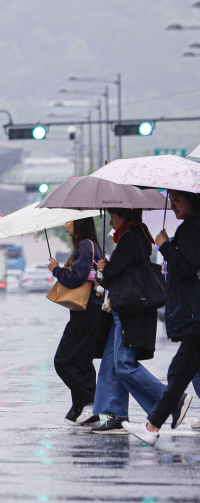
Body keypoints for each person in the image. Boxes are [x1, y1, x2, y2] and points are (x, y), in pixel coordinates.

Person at [124, 190, 200, 445]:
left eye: (178, 200)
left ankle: (151, 427)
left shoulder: (192, 228)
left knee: (178, 372)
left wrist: (165, 246)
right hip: (195, 313)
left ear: (191, 201)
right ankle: (152, 426)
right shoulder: (192, 226)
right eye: (172, 200)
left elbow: (187, 267)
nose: (173, 205)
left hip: (195, 313)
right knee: (180, 372)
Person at [92, 208, 166, 435]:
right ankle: (116, 414)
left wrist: (103, 271)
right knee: (111, 362)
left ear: (123, 215)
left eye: (112, 216)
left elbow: (113, 274)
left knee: (123, 364)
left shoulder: (130, 237)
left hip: (127, 306)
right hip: (125, 305)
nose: (110, 222)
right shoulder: (138, 235)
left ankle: (169, 401)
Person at [47, 218, 104, 426]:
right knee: (81, 361)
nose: (64, 225)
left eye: (67, 221)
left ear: (79, 222)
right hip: (91, 309)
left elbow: (76, 278)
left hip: (86, 311)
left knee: (63, 360)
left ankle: (90, 401)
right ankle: (83, 410)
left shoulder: (85, 246)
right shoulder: (90, 245)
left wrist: (56, 269)